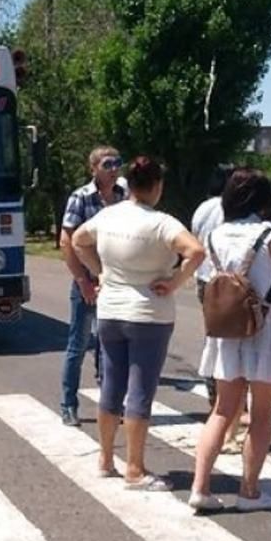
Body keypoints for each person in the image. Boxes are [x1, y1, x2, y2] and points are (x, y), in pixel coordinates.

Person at [73, 156, 205, 491]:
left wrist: (98, 270)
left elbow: (77, 240)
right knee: (140, 389)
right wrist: (175, 281)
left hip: (110, 309)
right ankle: (134, 467)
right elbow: (197, 252)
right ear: (157, 186)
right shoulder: (162, 223)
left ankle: (105, 459)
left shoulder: (108, 215)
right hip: (149, 312)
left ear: (128, 185)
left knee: (111, 385)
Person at [190, 173, 271, 511]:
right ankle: (249, 491)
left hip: (227, 329)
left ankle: (200, 487)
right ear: (262, 201)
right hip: (266, 327)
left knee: (223, 410)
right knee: (262, 414)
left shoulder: (214, 235)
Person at [58, 146, 126, 427]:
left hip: (115, 281)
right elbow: (66, 241)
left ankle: (110, 404)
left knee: (109, 345)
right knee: (79, 344)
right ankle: (68, 405)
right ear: (94, 168)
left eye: (117, 163)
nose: (114, 169)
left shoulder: (123, 197)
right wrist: (83, 281)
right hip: (87, 280)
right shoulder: (80, 197)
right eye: (108, 164)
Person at [190, 164, 232, 408]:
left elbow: (194, 236)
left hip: (204, 277)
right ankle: (230, 393)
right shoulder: (231, 207)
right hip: (229, 278)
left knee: (212, 333)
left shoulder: (202, 209)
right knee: (235, 334)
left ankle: (212, 390)